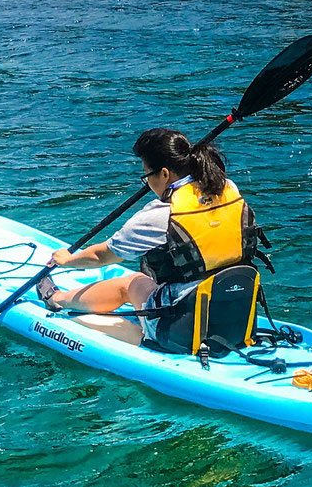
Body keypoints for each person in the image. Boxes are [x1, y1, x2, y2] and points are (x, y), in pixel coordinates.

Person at [36, 126, 268, 349]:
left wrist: (67, 259)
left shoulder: (160, 214)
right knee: (157, 276)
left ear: (164, 174)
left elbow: (100, 256)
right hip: (238, 314)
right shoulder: (228, 189)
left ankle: (58, 299)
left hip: (185, 330)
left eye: (147, 175)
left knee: (132, 282)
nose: (147, 182)